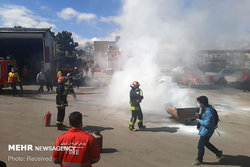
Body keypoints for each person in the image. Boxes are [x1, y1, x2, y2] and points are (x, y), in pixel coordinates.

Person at [192, 96, 223, 165]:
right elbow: (205, 117)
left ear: (202, 103)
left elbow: (207, 123)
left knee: (200, 145)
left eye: (199, 102)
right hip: (207, 130)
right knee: (206, 143)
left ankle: (199, 160)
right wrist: (199, 115)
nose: (198, 104)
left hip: (207, 131)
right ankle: (218, 153)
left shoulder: (209, 111)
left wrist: (199, 120)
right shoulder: (206, 108)